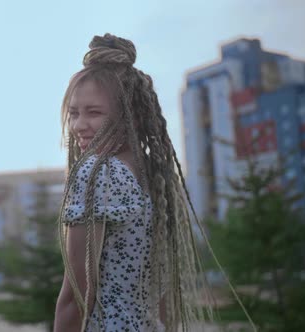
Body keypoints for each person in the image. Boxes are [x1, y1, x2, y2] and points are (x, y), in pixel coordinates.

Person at [53, 33, 216, 332]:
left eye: (94, 112)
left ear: (132, 117)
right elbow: (165, 294)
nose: (78, 125)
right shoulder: (156, 177)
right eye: (74, 113)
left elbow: (76, 295)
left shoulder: (97, 173)